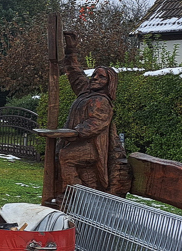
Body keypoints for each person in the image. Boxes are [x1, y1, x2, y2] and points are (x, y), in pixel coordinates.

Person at [55, 32, 130, 197]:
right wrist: (71, 51)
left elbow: (95, 123)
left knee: (66, 156)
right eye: (94, 75)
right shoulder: (85, 91)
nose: (95, 78)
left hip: (93, 147)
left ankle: (74, 194)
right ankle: (76, 196)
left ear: (109, 82)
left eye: (101, 77)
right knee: (86, 178)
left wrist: (75, 132)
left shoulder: (102, 101)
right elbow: (75, 73)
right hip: (79, 143)